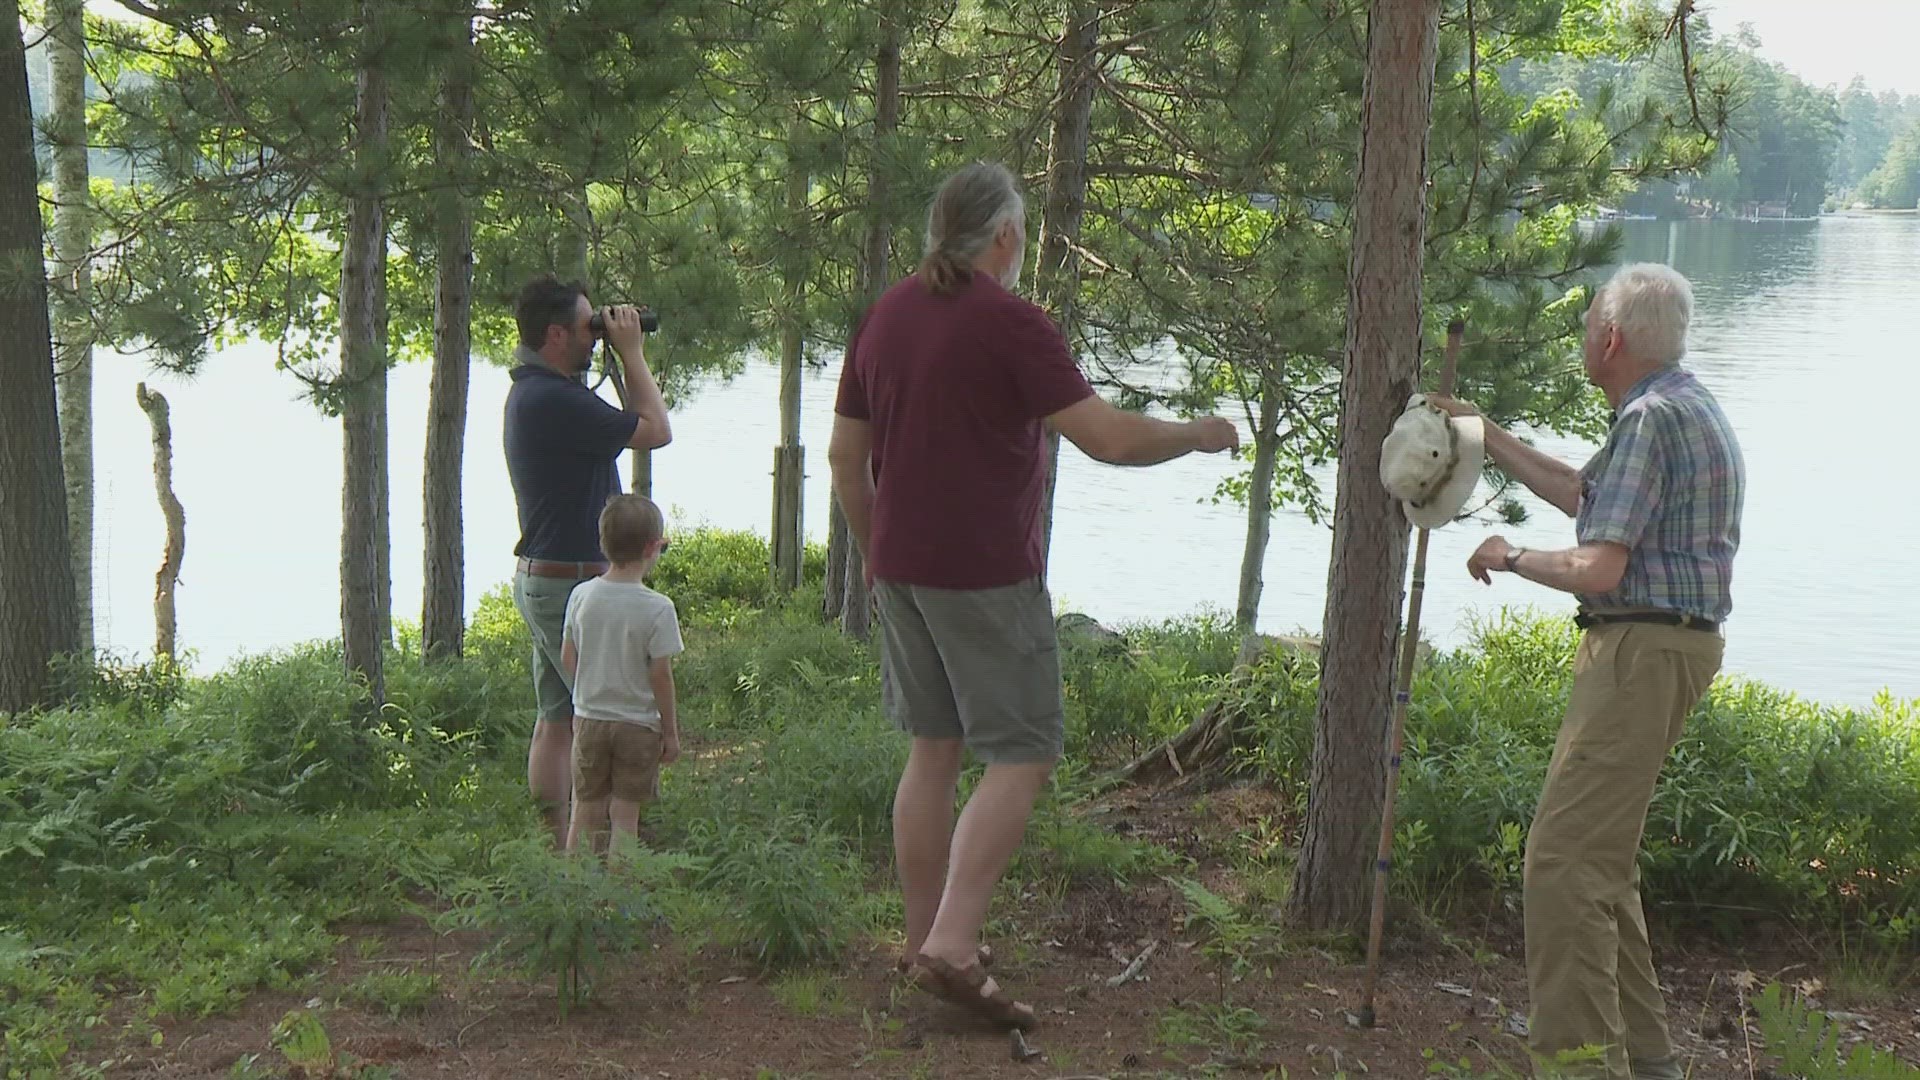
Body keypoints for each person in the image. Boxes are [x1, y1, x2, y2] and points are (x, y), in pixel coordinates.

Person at [827, 161, 1239, 1030]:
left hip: (899, 569)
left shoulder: (885, 317)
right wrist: (1198, 434)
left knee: (934, 749)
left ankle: (924, 940)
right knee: (1023, 753)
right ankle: (953, 942)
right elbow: (1110, 440)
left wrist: (878, 554)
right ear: (1007, 237)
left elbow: (842, 460)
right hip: (983, 574)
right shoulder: (1011, 323)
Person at [1431, 263, 1744, 1080]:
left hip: (1640, 650)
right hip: (1667, 646)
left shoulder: (1648, 419)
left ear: (1609, 338)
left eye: (1586, 327)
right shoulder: (1679, 405)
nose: (1582, 340)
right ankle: (1648, 1061)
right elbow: (1585, 492)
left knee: (1563, 863)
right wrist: (1484, 434)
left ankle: (1580, 1068)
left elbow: (1601, 566)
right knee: (1602, 864)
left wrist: (1511, 554)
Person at [504, 274, 672, 844]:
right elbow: (655, 429)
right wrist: (632, 352)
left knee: (556, 717)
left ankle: (553, 842)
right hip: (569, 582)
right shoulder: (557, 399)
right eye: (586, 327)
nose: (593, 337)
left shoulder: (533, 392)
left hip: (544, 578)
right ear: (556, 335)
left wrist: (619, 353)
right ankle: (594, 845)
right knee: (600, 716)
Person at [559, 494, 683, 858]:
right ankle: (620, 900)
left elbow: (569, 658)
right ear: (650, 548)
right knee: (626, 815)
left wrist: (589, 689)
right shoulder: (658, 608)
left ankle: (572, 891)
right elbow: (660, 676)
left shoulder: (581, 596)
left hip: (589, 720)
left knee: (585, 808)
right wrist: (671, 732)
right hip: (638, 725)